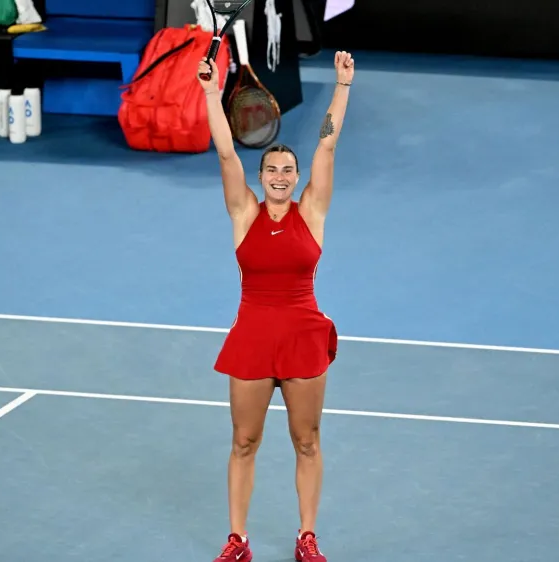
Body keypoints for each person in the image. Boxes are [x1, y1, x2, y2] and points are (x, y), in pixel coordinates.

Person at [196, 49, 355, 562]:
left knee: (306, 441)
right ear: (261, 176)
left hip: (303, 336)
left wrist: (343, 86)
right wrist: (206, 92)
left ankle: (306, 538)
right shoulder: (244, 212)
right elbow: (225, 154)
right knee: (244, 442)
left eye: (289, 169)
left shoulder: (313, 209)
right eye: (273, 170)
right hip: (254, 337)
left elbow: (326, 146)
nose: (282, 176)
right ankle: (237, 540)